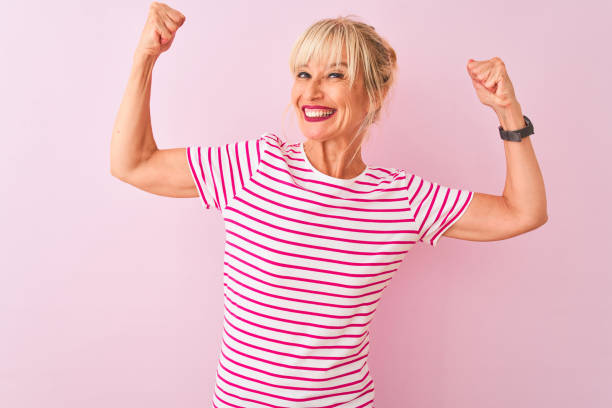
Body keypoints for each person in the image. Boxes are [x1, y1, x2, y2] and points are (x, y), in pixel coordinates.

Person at [110, 3, 548, 407]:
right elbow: (134, 163)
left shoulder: (401, 199)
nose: (312, 91)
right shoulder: (255, 165)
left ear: (374, 95)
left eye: (335, 75)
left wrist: (508, 111)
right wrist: (145, 58)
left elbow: (522, 212)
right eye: (303, 74)